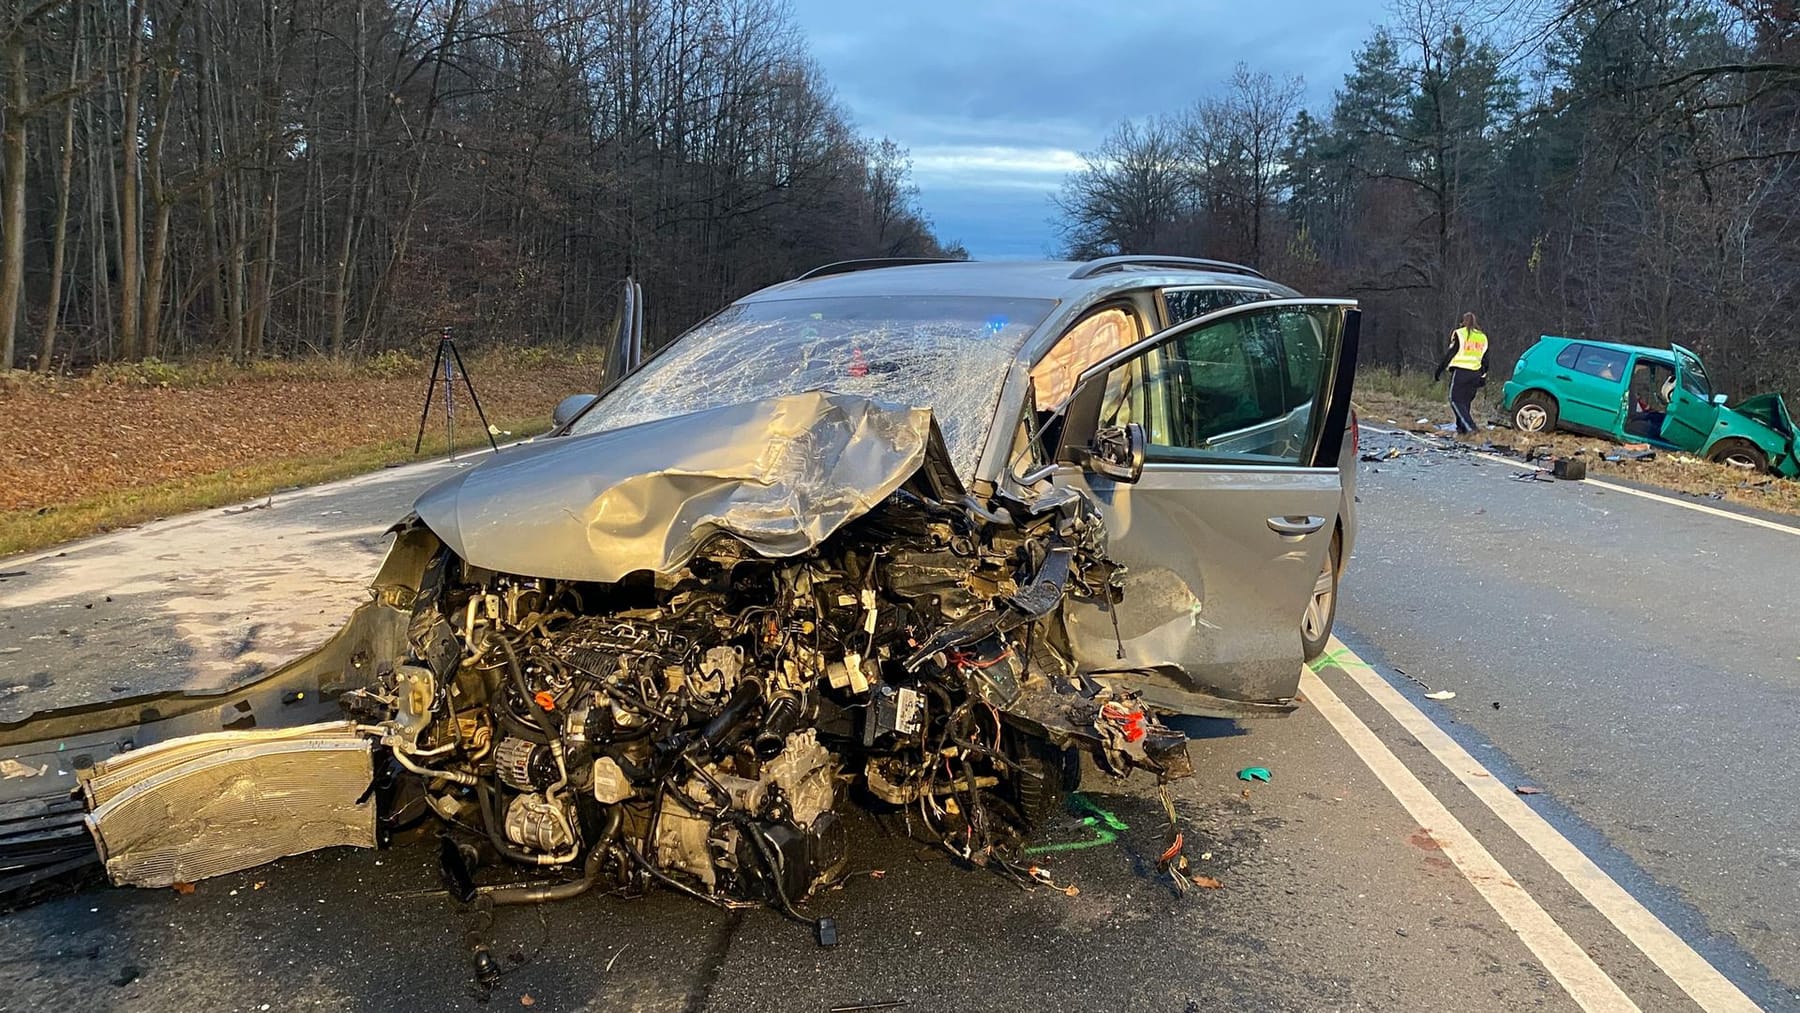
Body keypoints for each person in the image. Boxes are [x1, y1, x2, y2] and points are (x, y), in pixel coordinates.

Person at [1433, 312, 1489, 435]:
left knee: (1455, 400)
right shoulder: (1482, 337)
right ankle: (1461, 429)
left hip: (1461, 372)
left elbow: (1451, 353)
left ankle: (1471, 428)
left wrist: (1439, 370)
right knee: (1465, 402)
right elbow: (1486, 359)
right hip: (1476, 373)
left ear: (1462, 322)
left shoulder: (1460, 334)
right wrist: (1483, 376)